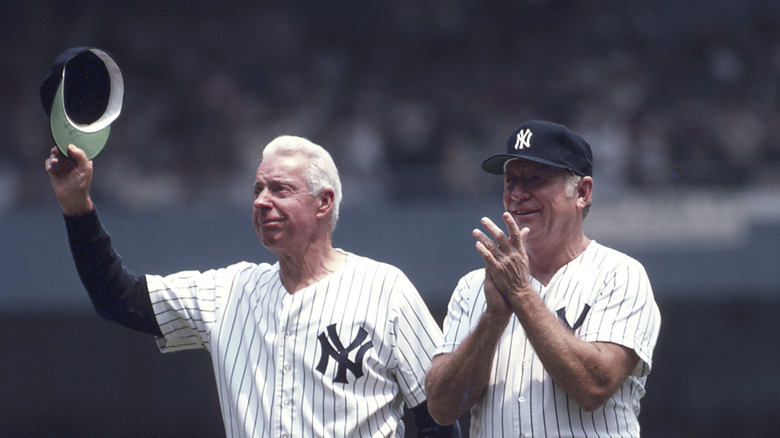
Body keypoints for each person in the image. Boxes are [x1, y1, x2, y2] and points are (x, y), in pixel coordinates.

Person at [45, 135, 458, 438]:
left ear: (323, 203)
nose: (262, 201)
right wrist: (77, 207)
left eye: (280, 189)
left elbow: (438, 418)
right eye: (258, 189)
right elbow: (117, 298)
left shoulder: (385, 289)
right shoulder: (229, 291)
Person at [425, 120, 661, 437]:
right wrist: (493, 319)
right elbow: (442, 408)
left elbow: (594, 386)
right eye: (511, 182)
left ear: (582, 191)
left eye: (535, 180)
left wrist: (521, 295)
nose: (518, 194)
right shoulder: (473, 287)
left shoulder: (619, 274)